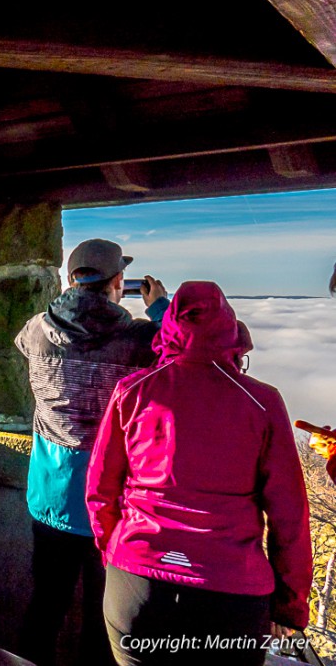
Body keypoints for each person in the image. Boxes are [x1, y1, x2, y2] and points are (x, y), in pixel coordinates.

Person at [86, 281, 312, 666]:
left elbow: (101, 489)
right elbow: (289, 515)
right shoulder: (262, 402)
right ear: (233, 336)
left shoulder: (133, 391)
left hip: (136, 586)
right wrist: (289, 607)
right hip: (231, 598)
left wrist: (114, 551)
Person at [13, 238, 168, 666]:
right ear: (119, 281)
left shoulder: (36, 330)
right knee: (107, 620)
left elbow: (26, 345)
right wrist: (159, 308)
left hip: (50, 495)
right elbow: (185, 350)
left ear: (70, 279)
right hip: (114, 503)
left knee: (45, 606)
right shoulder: (140, 340)